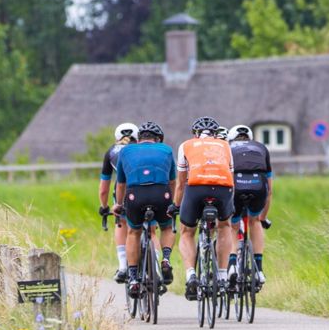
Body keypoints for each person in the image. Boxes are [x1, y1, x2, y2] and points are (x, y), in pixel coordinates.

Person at [174, 116, 235, 300]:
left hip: (196, 189)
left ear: (195, 134)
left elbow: (181, 183)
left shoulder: (186, 145)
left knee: (187, 231)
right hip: (224, 188)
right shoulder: (225, 146)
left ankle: (191, 274)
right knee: (225, 226)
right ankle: (223, 275)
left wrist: (176, 206)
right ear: (216, 134)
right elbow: (231, 174)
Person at [112, 121, 177, 285]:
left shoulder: (126, 151)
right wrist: (174, 203)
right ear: (158, 139)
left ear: (138, 138)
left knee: (133, 233)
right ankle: (166, 260)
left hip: (135, 195)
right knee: (166, 227)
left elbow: (121, 184)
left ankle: (133, 278)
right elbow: (173, 182)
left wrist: (119, 204)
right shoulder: (167, 150)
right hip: (161, 193)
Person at [226, 123, 273, 286]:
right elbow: (270, 190)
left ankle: (231, 265)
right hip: (258, 185)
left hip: (236, 184)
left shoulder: (227, 147)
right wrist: (263, 217)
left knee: (232, 226)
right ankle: (259, 269)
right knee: (255, 222)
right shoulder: (261, 148)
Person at [97, 122, 139, 282]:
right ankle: (155, 267)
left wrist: (104, 206)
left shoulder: (111, 152)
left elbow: (104, 188)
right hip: (144, 189)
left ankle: (123, 266)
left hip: (123, 191)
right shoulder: (141, 148)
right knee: (150, 229)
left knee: (120, 222)